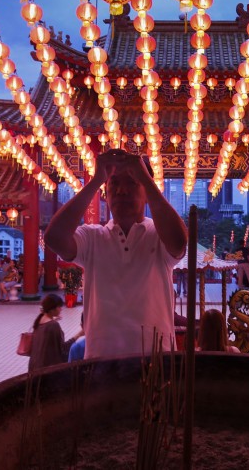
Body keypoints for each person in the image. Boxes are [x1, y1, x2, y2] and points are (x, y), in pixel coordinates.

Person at [44, 149, 187, 359]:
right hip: (101, 364)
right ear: (106, 192)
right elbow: (54, 238)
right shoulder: (92, 237)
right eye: (114, 184)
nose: (121, 191)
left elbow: (179, 240)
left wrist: (147, 181)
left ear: (147, 191)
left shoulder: (159, 236)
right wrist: (96, 181)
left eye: (132, 182)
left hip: (157, 365)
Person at [28, 294, 83, 371]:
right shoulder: (53, 325)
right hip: (48, 372)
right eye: (59, 307)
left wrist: (53, 319)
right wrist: (80, 334)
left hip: (34, 368)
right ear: (51, 309)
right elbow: (63, 349)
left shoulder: (39, 321)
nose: (61, 309)